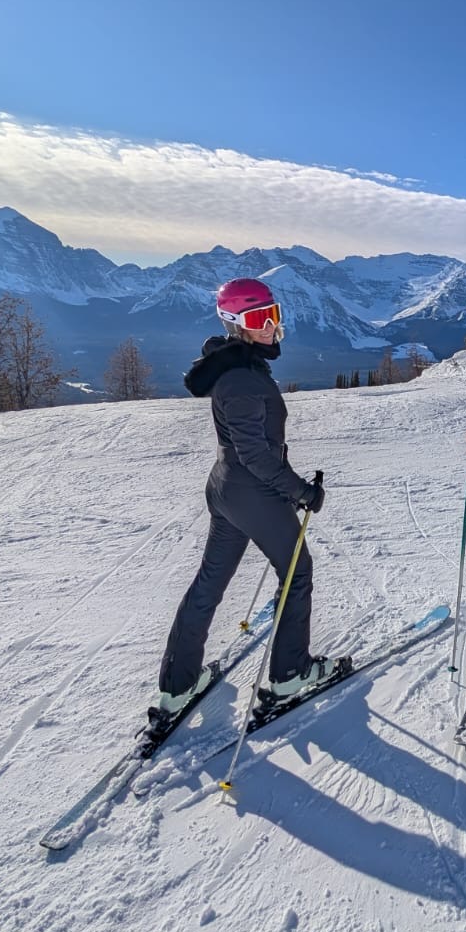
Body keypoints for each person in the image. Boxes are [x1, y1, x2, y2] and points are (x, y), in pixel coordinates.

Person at [152, 277, 331, 730]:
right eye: (257, 319)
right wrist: (300, 491)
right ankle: (290, 675)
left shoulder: (237, 366)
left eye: (273, 315)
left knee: (210, 581)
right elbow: (255, 455)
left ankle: (178, 686)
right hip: (253, 490)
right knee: (298, 572)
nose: (270, 326)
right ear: (235, 324)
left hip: (225, 487)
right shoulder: (243, 378)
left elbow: (247, 450)